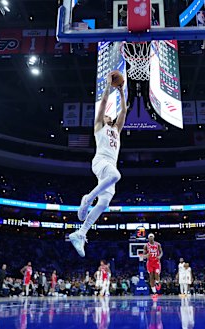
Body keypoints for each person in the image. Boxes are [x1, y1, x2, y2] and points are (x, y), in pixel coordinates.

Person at [69, 71, 128, 257]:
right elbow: (102, 104)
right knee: (116, 176)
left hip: (108, 166)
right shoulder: (99, 126)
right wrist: (107, 86)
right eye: (107, 116)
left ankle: (80, 233)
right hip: (101, 161)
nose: (109, 116)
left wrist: (120, 92)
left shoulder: (116, 130)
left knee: (103, 204)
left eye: (111, 116)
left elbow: (124, 111)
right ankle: (87, 198)